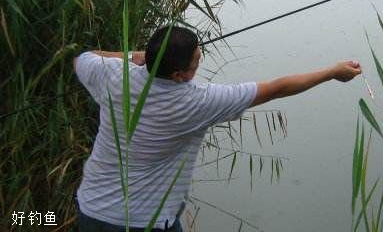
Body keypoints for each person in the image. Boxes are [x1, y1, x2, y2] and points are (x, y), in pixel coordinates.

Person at [74, 25, 362, 232]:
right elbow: (276, 89)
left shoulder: (113, 75)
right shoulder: (197, 102)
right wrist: (333, 72)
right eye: (196, 63)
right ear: (178, 75)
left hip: (91, 209)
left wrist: (133, 56)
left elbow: (84, 57)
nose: (199, 65)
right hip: (144, 221)